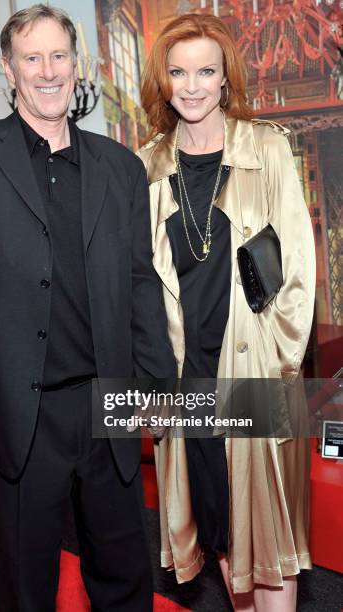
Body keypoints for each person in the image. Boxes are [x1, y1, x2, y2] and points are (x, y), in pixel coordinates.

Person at [0, 5, 176, 611]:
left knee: (124, 574)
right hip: (18, 408)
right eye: (31, 58)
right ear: (9, 70)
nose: (47, 71)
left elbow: (140, 283)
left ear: (76, 64)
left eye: (58, 56)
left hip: (106, 405)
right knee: (27, 582)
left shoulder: (120, 167)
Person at [138, 13, 316, 612]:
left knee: (271, 533)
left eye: (205, 71)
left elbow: (296, 265)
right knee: (220, 526)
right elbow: (140, 284)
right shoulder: (147, 168)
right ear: (163, 80)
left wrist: (280, 363)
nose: (191, 86)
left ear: (224, 79)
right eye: (178, 71)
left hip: (256, 367)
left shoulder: (266, 148)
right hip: (188, 376)